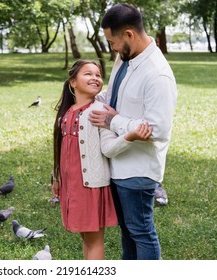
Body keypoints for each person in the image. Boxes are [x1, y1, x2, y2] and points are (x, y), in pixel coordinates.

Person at [89, 3, 177, 260]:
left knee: (141, 232)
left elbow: (157, 129)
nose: (111, 48)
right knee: (128, 232)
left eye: (112, 41)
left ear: (129, 34)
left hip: (138, 169)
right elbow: (115, 96)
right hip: (118, 162)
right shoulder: (124, 57)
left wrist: (113, 121)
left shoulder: (158, 75)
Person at [52, 59, 152, 260]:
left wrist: (129, 136)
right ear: (73, 82)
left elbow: (108, 149)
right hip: (71, 186)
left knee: (94, 240)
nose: (95, 78)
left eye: (98, 75)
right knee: (85, 238)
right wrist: (56, 177)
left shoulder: (100, 110)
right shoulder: (66, 113)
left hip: (91, 187)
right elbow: (61, 150)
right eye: (88, 74)